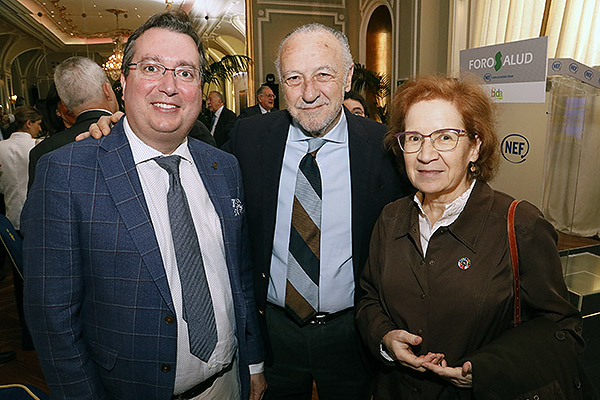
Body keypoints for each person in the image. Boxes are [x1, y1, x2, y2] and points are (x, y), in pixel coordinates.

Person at [84, 22, 411, 400]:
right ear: (279, 84)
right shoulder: (249, 137)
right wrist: (119, 128)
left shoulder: (384, 148)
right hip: (272, 330)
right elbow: (184, 152)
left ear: (348, 76)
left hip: (351, 330)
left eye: (323, 75)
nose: (308, 93)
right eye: (293, 78)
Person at [22, 10, 265, 400]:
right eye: (152, 67)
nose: (168, 86)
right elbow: (53, 321)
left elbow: (240, 275)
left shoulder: (224, 167)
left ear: (200, 89)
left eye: (185, 72)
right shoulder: (68, 173)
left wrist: (253, 362)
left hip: (227, 383)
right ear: (122, 81)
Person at [355, 75, 584, 399]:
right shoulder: (390, 218)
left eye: (445, 137)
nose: (426, 154)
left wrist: (485, 369)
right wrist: (386, 337)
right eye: (414, 138)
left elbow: (561, 328)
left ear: (475, 146)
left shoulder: (520, 225)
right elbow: (369, 299)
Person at [28, 56, 120, 190]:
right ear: (107, 90)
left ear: (65, 104)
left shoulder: (43, 152)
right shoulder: (130, 133)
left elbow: (40, 208)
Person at [0, 106, 41, 353]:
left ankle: (28, 338)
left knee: (20, 282)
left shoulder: (1, 148)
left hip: (12, 220)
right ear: (28, 125)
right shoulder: (38, 146)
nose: (39, 127)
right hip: (37, 219)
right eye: (37, 123)